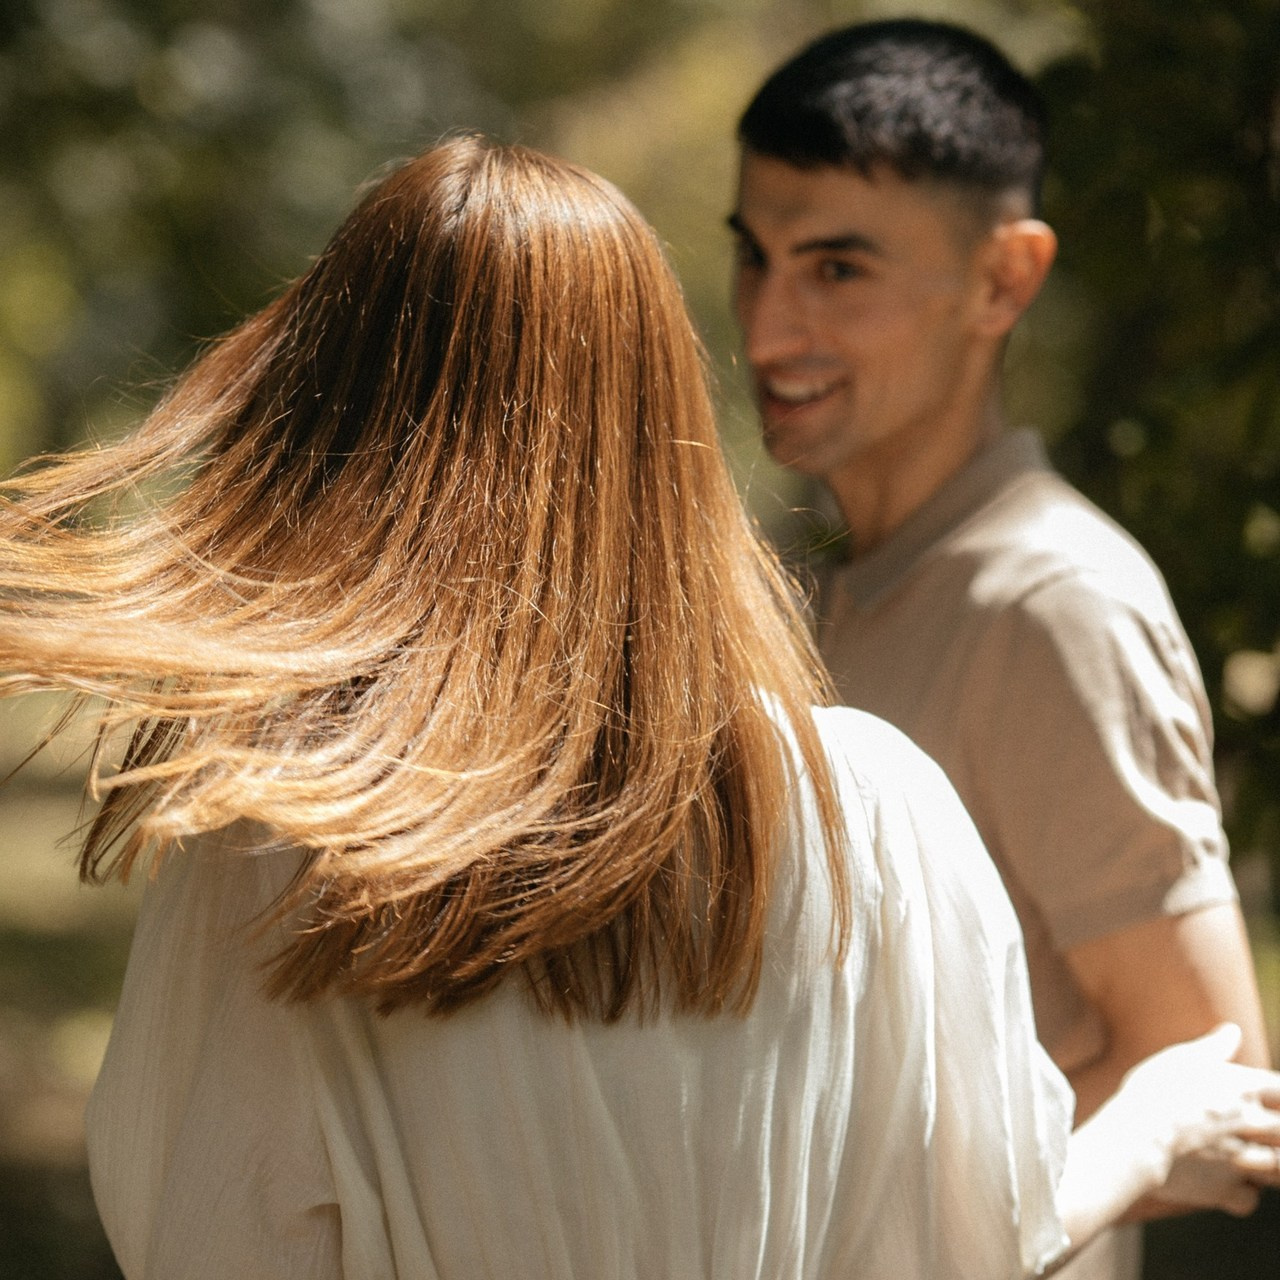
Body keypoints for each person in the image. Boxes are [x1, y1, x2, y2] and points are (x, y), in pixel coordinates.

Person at [1, 134, 1278, 1280]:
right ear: (664, 423)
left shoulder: (292, 834)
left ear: (338, 420)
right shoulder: (871, 809)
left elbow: (210, 1237)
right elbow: (967, 1238)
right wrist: (1145, 1131)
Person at [729, 17, 1273, 1279]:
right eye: (754, 259)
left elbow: (1213, 1078)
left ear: (1002, 281)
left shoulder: (1049, 605)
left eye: (837, 268)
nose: (765, 329)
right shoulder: (814, 586)